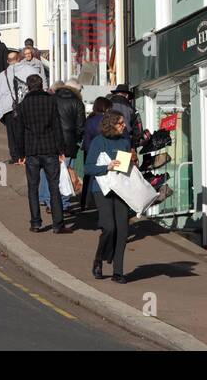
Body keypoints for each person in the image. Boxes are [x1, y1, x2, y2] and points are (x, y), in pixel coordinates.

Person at [15, 74, 70, 234]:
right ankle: (58, 224)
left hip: (31, 150)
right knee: (54, 186)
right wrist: (61, 150)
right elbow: (57, 127)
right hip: (50, 149)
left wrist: (20, 153)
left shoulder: (23, 105)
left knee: (33, 187)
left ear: (28, 86)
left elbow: (19, 131)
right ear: (41, 85)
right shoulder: (51, 101)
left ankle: (35, 223)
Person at [84, 107, 135, 282]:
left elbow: (126, 165)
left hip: (121, 188)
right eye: (120, 123)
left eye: (123, 123)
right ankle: (98, 260)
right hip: (102, 188)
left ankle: (118, 271)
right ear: (111, 124)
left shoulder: (124, 142)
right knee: (109, 227)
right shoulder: (99, 142)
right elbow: (88, 167)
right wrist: (107, 166)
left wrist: (131, 163)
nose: (124, 126)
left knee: (122, 230)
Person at [0, 46, 46, 162]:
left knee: (12, 133)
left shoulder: (2, 75)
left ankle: (16, 157)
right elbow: (40, 81)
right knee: (26, 131)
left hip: (9, 108)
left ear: (8, 62)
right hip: (26, 106)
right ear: (19, 58)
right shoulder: (30, 70)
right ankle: (26, 155)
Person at [40, 82, 84, 211]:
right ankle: (63, 203)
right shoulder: (77, 103)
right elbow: (81, 126)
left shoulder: (50, 100)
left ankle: (49, 201)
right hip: (69, 143)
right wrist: (76, 138)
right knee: (65, 173)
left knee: (51, 173)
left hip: (50, 141)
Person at [81, 96, 111, 210]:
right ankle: (97, 201)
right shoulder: (105, 120)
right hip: (101, 150)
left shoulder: (90, 119)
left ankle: (84, 202)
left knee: (88, 176)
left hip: (88, 149)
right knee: (101, 175)